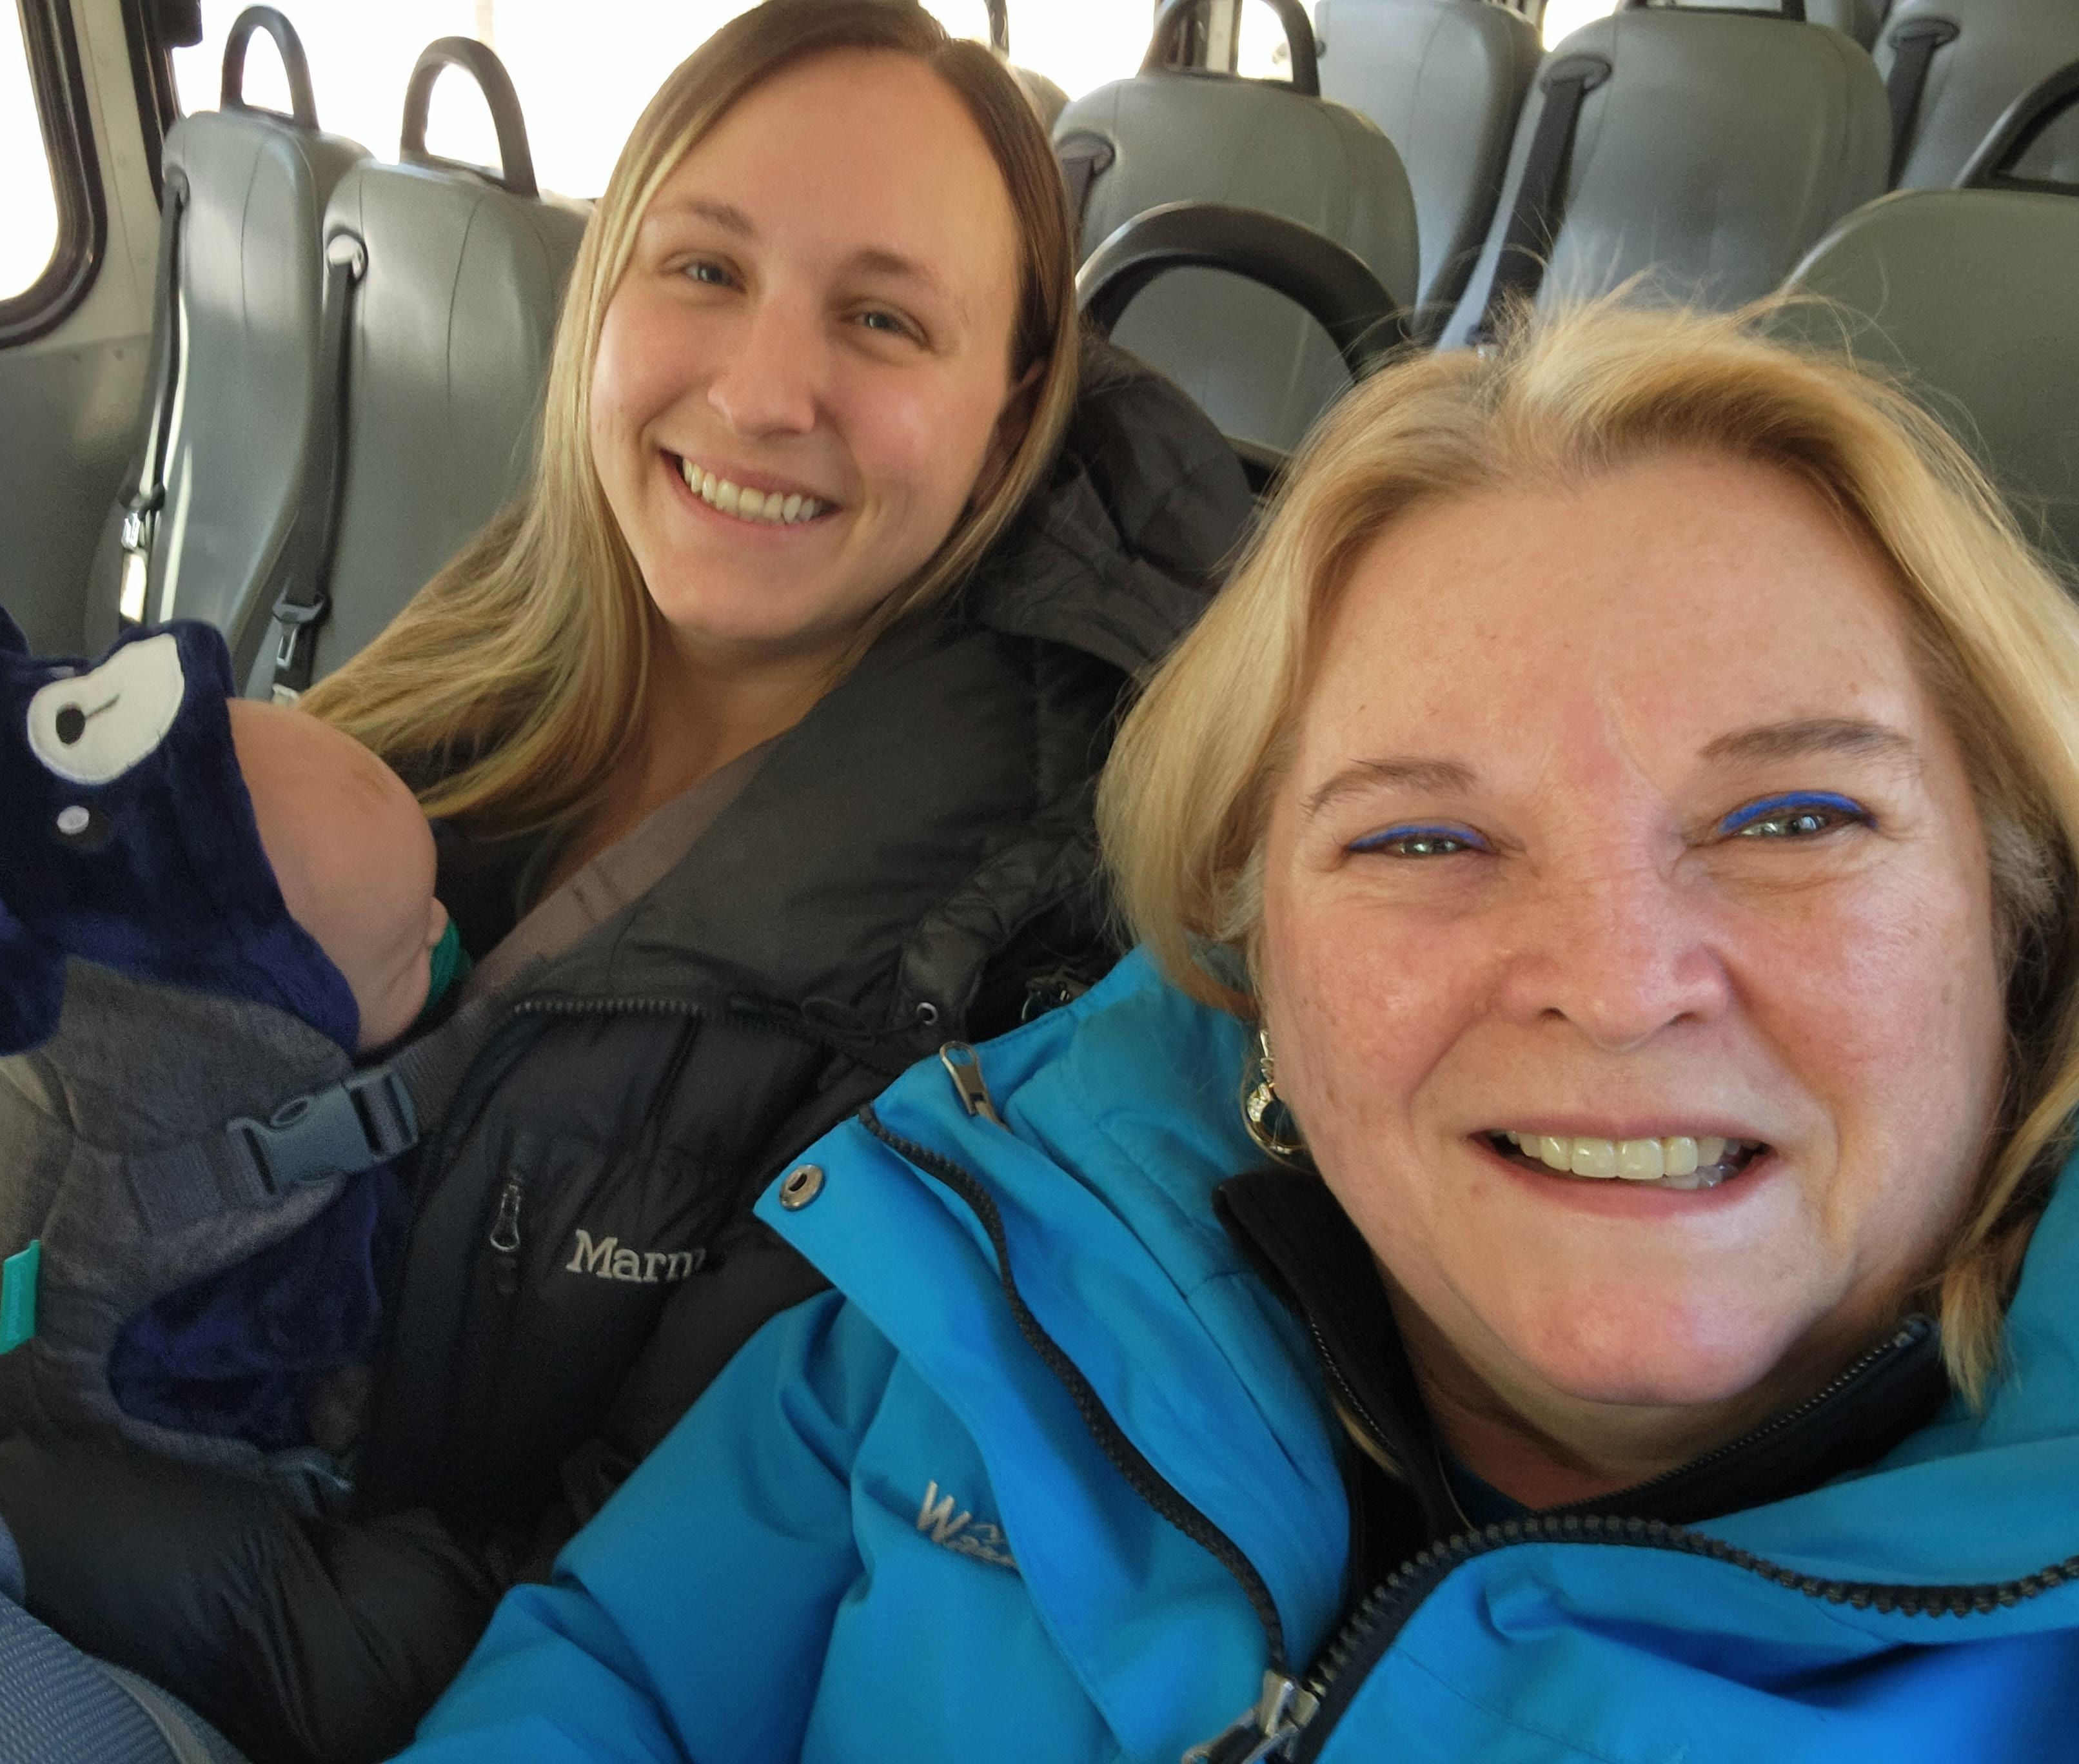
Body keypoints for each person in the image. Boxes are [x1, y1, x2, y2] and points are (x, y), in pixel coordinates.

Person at [0, 5, 1250, 1760]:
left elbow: (625, 1618)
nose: (761, 393)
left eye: (883, 319)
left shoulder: (1014, 962)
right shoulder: (509, 623)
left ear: (1015, 405)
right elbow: (188, 1010)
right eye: (704, 268)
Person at [391, 298, 2079, 1764]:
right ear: (1256, 951)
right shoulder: (1014, 1273)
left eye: (1794, 819)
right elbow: (613, 1685)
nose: (1622, 985)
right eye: (1425, 839)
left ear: (2018, 908)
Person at [0, 692, 462, 1459]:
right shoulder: (274, 1201)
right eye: (411, 941)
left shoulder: (51, 993)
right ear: (287, 1010)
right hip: (82, 1469)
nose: (442, 923)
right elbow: (353, 1339)